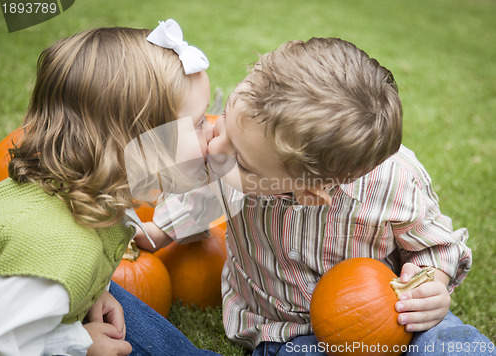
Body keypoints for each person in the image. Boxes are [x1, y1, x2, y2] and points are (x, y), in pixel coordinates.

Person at [136, 37, 495, 355]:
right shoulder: (239, 155)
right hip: (286, 328)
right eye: (225, 117)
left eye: (239, 160)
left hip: (389, 313)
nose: (215, 145)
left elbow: (437, 247)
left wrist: (432, 284)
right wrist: (155, 233)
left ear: (309, 194)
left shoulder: (396, 183)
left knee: (449, 343)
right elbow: (202, 196)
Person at [0, 19, 220, 356]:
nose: (212, 133)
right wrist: (78, 344)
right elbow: (5, 341)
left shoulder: (84, 198)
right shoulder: (62, 254)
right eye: (200, 123)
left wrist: (91, 290)